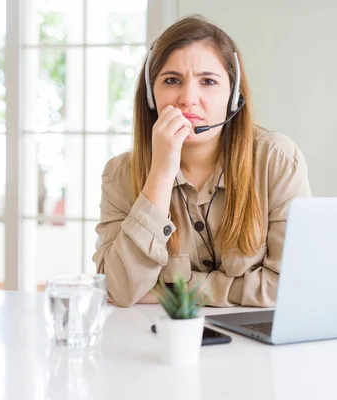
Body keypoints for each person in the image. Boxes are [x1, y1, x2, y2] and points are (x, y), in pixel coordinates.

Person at [93, 15, 311, 308]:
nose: (188, 98)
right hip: (154, 342)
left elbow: (292, 286)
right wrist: (159, 174)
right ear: (150, 95)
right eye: (172, 80)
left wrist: (173, 291)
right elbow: (117, 289)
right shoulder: (120, 174)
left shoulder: (276, 160)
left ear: (234, 96)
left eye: (208, 81)